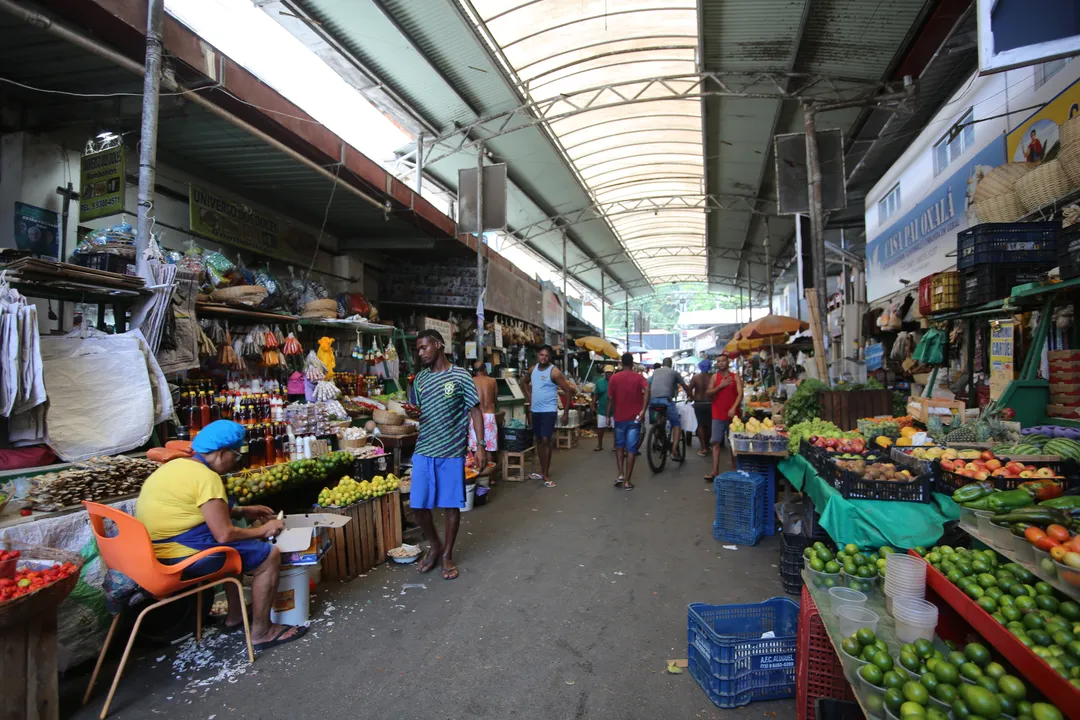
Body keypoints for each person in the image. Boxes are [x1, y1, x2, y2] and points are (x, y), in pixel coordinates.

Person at [136, 420, 305, 651]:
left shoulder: (175, 467)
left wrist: (243, 510)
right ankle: (262, 632)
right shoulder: (207, 478)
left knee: (237, 553)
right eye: (236, 456)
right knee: (269, 556)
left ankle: (235, 617)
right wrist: (263, 530)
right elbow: (224, 534)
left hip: (154, 551)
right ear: (222, 452)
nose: (236, 462)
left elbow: (196, 510)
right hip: (178, 557)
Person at [412, 330, 486, 581]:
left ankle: (447, 555)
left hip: (452, 452)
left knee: (450, 505)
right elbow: (418, 411)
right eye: (418, 349)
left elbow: (475, 412)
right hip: (423, 449)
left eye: (424, 347)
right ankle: (435, 544)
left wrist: (480, 445)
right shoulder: (420, 380)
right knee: (418, 505)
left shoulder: (460, 376)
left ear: (438, 345)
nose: (420, 353)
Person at [520, 345, 575, 487]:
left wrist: (566, 413)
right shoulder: (533, 369)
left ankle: (545, 473)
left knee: (546, 439)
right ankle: (541, 470)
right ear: (538, 355)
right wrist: (529, 397)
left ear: (550, 357)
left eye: (546, 355)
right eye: (541, 355)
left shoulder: (554, 372)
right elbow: (524, 382)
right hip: (535, 410)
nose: (543, 357)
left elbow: (568, 391)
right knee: (538, 439)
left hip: (549, 410)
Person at [606, 352, 649, 490]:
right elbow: (647, 390)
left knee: (619, 446)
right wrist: (643, 409)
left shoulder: (614, 378)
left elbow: (610, 398)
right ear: (632, 363)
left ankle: (620, 474)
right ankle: (627, 481)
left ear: (621, 364)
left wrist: (608, 415)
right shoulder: (639, 377)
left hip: (619, 418)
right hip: (634, 419)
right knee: (631, 449)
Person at [706, 355, 743, 482]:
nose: (721, 363)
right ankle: (714, 471)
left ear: (728, 362)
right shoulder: (715, 377)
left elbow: (740, 394)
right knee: (715, 441)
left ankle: (734, 468)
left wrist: (733, 408)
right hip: (717, 413)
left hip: (733, 414)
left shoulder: (735, 377)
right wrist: (720, 386)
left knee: (733, 443)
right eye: (718, 361)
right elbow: (708, 392)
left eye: (723, 361)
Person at [648, 357, 690, 460]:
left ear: (662, 364)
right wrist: (691, 395)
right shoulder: (674, 372)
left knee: (660, 417)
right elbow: (684, 386)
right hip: (666, 400)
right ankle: (674, 451)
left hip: (653, 401)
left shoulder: (656, 371)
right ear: (671, 364)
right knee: (676, 424)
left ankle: (658, 433)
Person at [469, 360, 498, 456]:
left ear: (474, 371)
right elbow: (495, 400)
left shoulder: (471, 381)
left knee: (476, 448)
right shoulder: (492, 381)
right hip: (489, 416)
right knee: (489, 449)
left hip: (476, 418)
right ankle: (490, 470)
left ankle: (477, 471)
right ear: (485, 369)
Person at [689, 359, 714, 457]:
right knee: (709, 425)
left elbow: (689, 389)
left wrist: (692, 397)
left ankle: (703, 447)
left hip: (699, 403)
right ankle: (707, 444)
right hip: (710, 403)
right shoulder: (712, 377)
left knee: (700, 425)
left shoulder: (695, 377)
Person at [592, 364, 614, 451]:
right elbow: (595, 394)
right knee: (600, 427)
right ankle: (599, 444)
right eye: (607, 372)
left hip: (614, 409)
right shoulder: (599, 382)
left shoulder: (616, 381)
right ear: (604, 373)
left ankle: (615, 445)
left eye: (610, 372)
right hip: (602, 408)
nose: (609, 374)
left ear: (613, 373)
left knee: (615, 428)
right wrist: (593, 405)